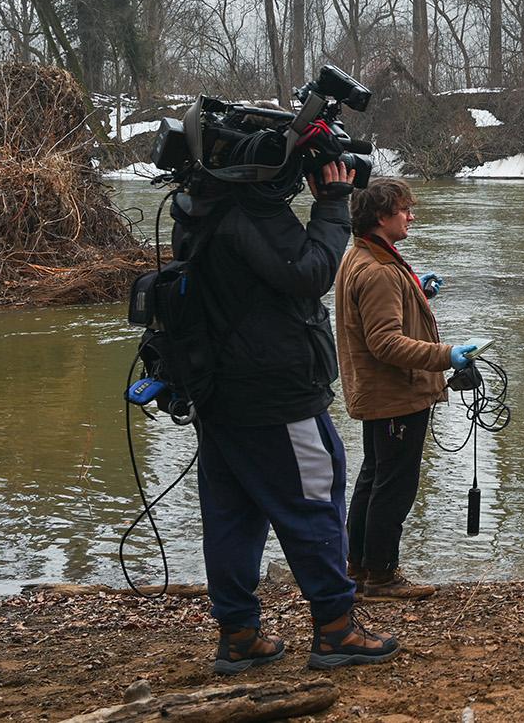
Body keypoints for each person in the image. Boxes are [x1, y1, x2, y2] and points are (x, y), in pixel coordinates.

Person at [173, 159, 399, 674]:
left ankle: (238, 634)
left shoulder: (198, 204)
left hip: (219, 392)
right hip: (274, 394)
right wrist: (332, 203)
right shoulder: (251, 211)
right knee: (316, 499)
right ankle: (336, 629)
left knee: (232, 514)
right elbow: (308, 273)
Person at [334, 178, 477, 598]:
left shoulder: (362, 255)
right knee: (394, 486)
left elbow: (380, 321)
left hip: (379, 394)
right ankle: (382, 575)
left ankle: (357, 568)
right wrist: (446, 355)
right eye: (404, 210)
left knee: (373, 478)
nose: (411, 216)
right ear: (381, 217)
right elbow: (383, 342)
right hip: (395, 395)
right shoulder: (378, 271)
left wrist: (418, 292)